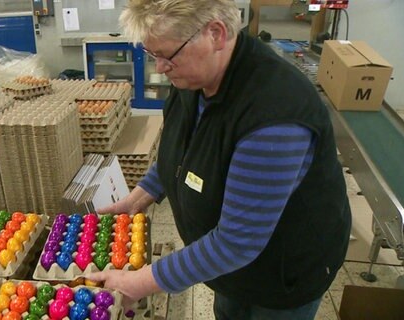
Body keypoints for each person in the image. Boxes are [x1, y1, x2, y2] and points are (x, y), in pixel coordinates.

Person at [87, 0, 352, 319]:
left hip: (282, 272)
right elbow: (182, 150)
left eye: (166, 55)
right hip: (229, 269)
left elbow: (236, 244)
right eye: (152, 54)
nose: (159, 67)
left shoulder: (273, 115)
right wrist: (138, 197)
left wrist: (141, 282)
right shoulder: (193, 77)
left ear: (215, 34)